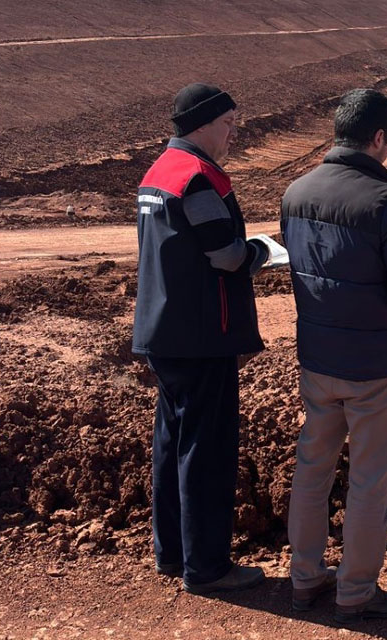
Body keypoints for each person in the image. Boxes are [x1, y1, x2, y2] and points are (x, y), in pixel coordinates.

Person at [280, 88, 387, 623]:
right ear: (378, 137)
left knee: (312, 468)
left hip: (317, 359)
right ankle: (357, 593)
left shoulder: (295, 192)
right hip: (374, 367)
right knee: (369, 481)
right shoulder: (386, 201)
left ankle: (305, 581)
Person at [132, 83, 272, 594]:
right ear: (202, 123)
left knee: (171, 445)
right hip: (201, 335)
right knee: (206, 452)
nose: (235, 131)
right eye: (229, 122)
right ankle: (208, 567)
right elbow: (225, 254)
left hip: (162, 332)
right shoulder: (196, 177)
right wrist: (260, 254)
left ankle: (172, 553)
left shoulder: (157, 172)